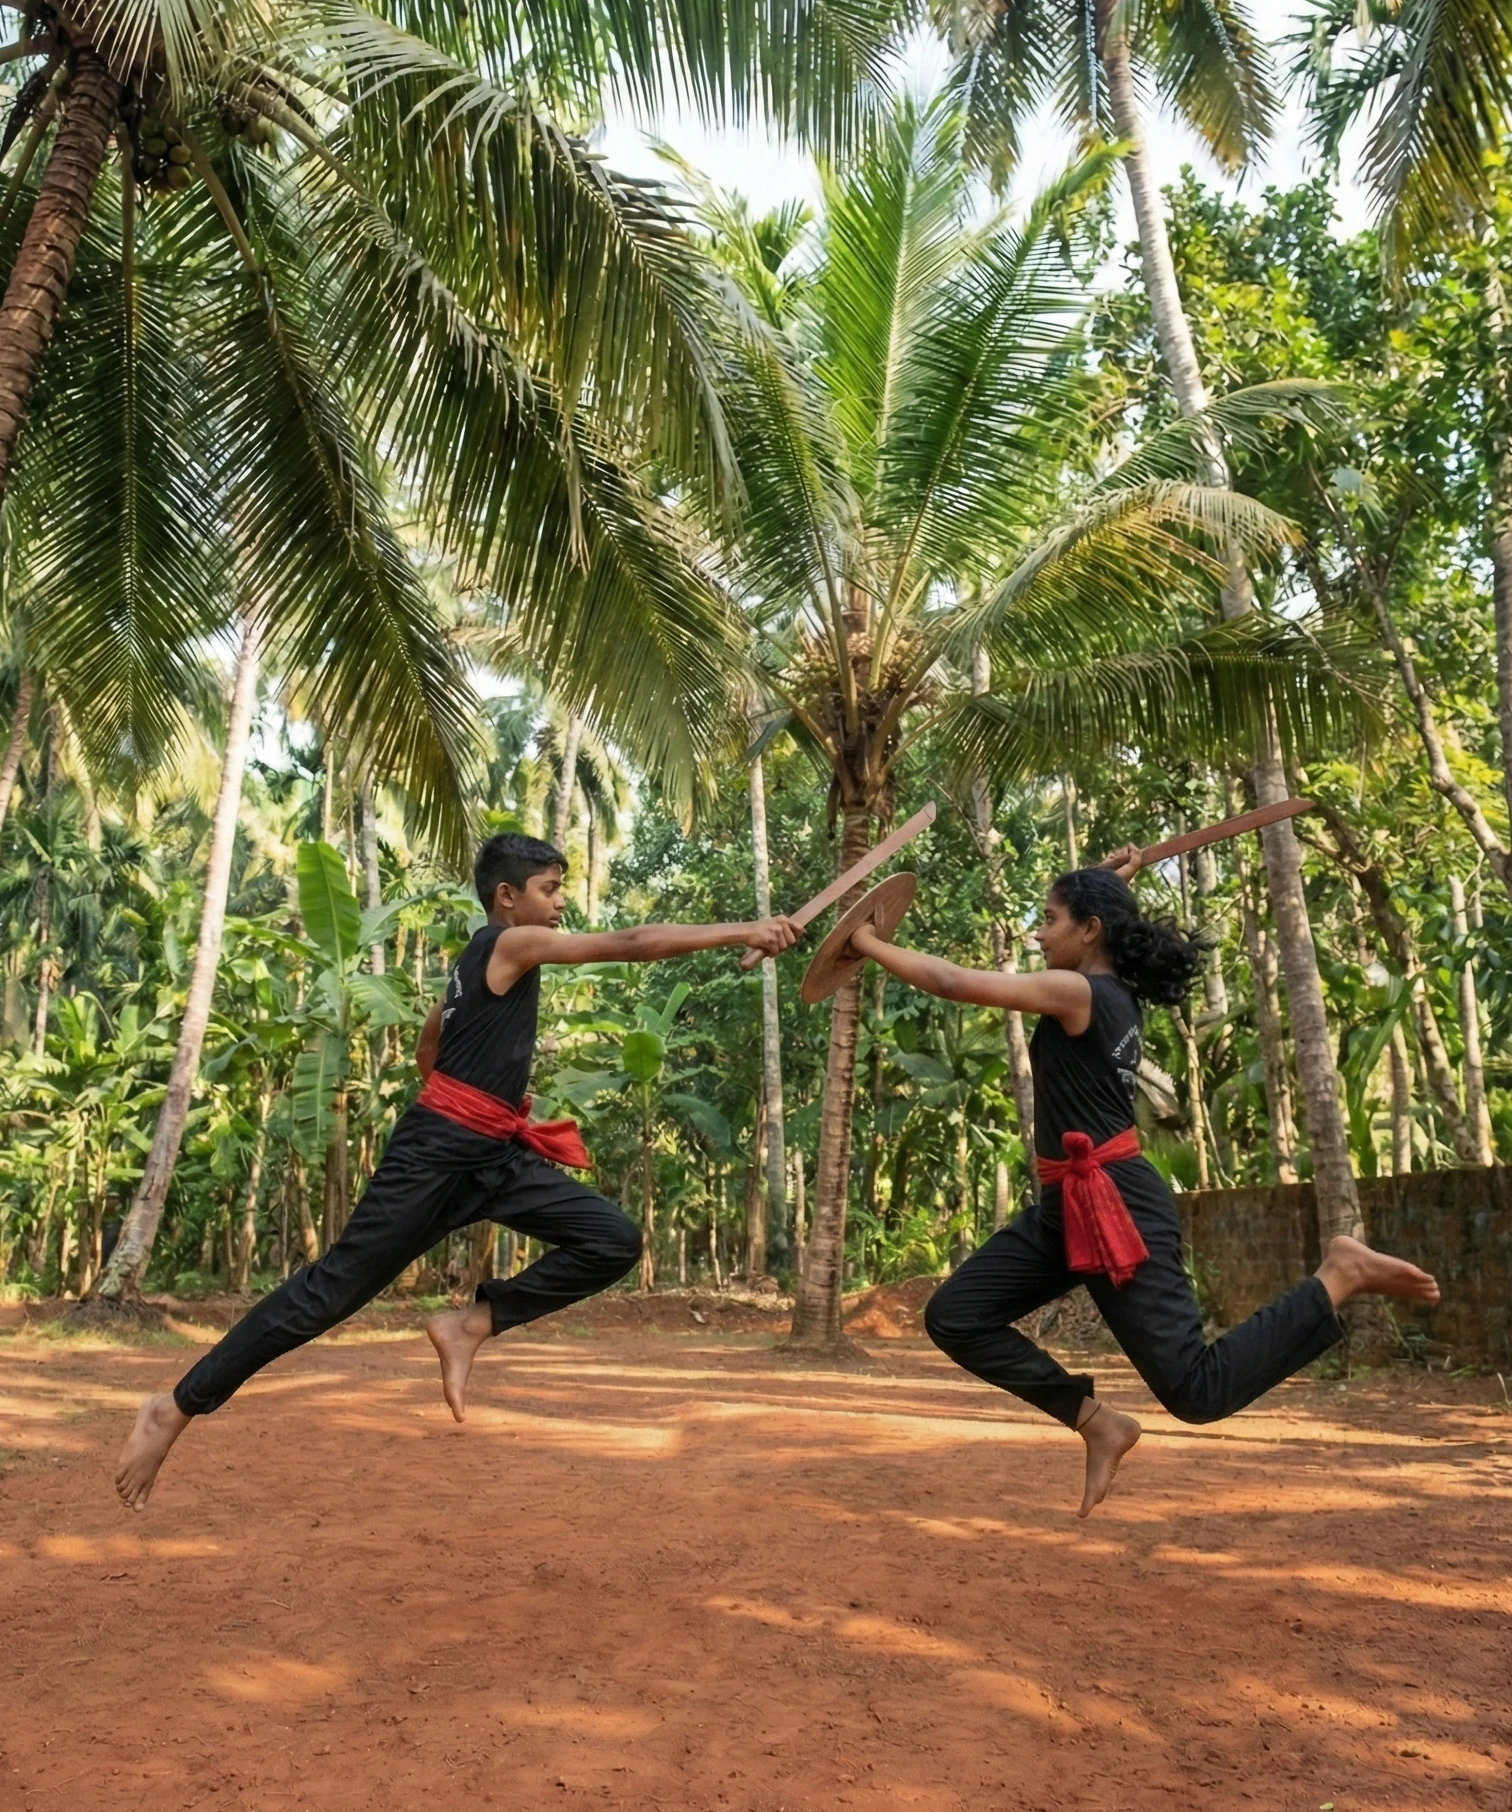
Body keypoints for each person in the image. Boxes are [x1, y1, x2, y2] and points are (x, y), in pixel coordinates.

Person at [115, 832, 798, 1510]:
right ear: (508, 897)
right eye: (550, 890)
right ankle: (173, 1407)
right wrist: (749, 929)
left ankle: (471, 1324)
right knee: (327, 1294)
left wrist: (474, 1100)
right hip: (438, 1155)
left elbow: (429, 1045)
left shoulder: (473, 969)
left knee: (612, 1240)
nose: (561, 904)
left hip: (490, 1152)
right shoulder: (507, 943)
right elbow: (629, 944)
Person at [846, 847, 1440, 1519]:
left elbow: (950, 981)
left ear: (1090, 929)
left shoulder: (1080, 994)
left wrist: (864, 941)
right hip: (1066, 1206)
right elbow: (1087, 924)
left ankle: (1339, 1276)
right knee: (956, 1316)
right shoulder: (1109, 995)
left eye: (1049, 919)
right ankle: (1096, 1420)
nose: (1038, 933)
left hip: (1116, 1203)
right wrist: (1110, 880)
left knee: (1196, 1390)